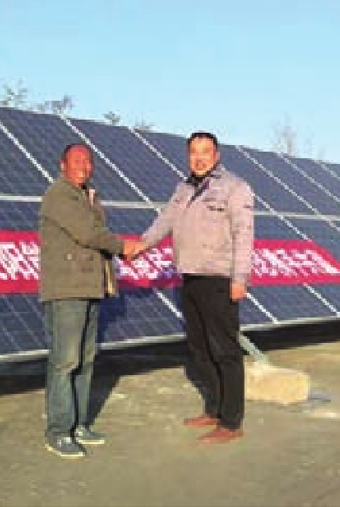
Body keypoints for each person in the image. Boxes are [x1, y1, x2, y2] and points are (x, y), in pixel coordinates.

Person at [138, 131, 254, 444]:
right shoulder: (184, 188)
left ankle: (232, 422)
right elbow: (165, 221)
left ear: (216, 155)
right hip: (189, 277)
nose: (199, 158)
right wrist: (142, 245)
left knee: (226, 351)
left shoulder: (235, 187)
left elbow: (244, 234)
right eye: (194, 152)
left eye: (205, 152)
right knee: (200, 349)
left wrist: (239, 280)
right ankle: (214, 409)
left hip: (219, 279)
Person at [39, 142, 142, 459]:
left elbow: (96, 231)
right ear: (63, 165)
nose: (83, 166)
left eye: (88, 161)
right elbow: (88, 233)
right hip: (66, 290)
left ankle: (79, 423)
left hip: (89, 287)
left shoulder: (88, 197)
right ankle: (59, 431)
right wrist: (124, 247)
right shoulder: (58, 195)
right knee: (65, 361)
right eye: (77, 160)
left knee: (85, 360)